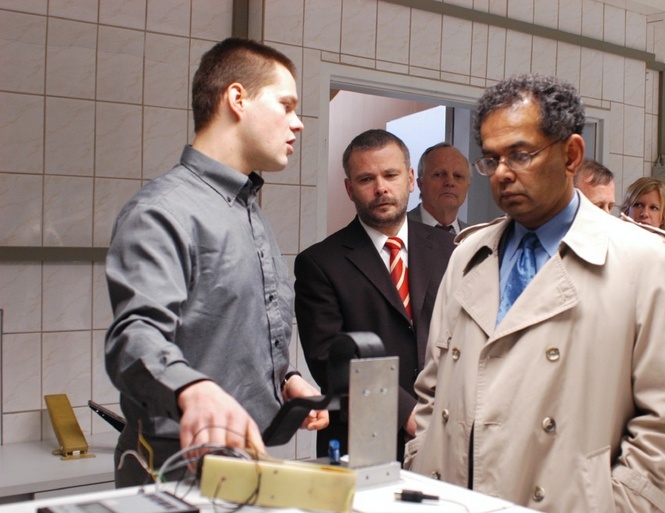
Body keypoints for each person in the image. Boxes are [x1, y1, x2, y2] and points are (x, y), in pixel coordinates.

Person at [405, 73, 665, 513]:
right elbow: (434, 384)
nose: (503, 172)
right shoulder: (468, 252)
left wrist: (618, 512)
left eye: (521, 154)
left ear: (571, 155)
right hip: (457, 510)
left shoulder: (645, 261)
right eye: (492, 158)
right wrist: (421, 458)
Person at [104, 38, 328, 487]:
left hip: (244, 463)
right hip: (173, 471)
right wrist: (192, 389)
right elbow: (134, 336)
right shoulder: (162, 211)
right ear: (237, 99)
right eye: (285, 105)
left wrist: (286, 378)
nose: (298, 123)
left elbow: (230, 330)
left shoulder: (247, 209)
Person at [294, 129, 455, 461]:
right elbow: (330, 359)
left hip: (447, 429)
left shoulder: (451, 249)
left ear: (411, 179)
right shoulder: (320, 263)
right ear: (349, 189)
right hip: (363, 441)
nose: (381, 188)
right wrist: (408, 411)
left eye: (391, 175)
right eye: (366, 179)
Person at [407, 142, 471, 233]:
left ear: (467, 187)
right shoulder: (396, 230)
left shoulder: (478, 239)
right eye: (439, 174)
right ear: (420, 183)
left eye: (458, 176)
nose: (450, 182)